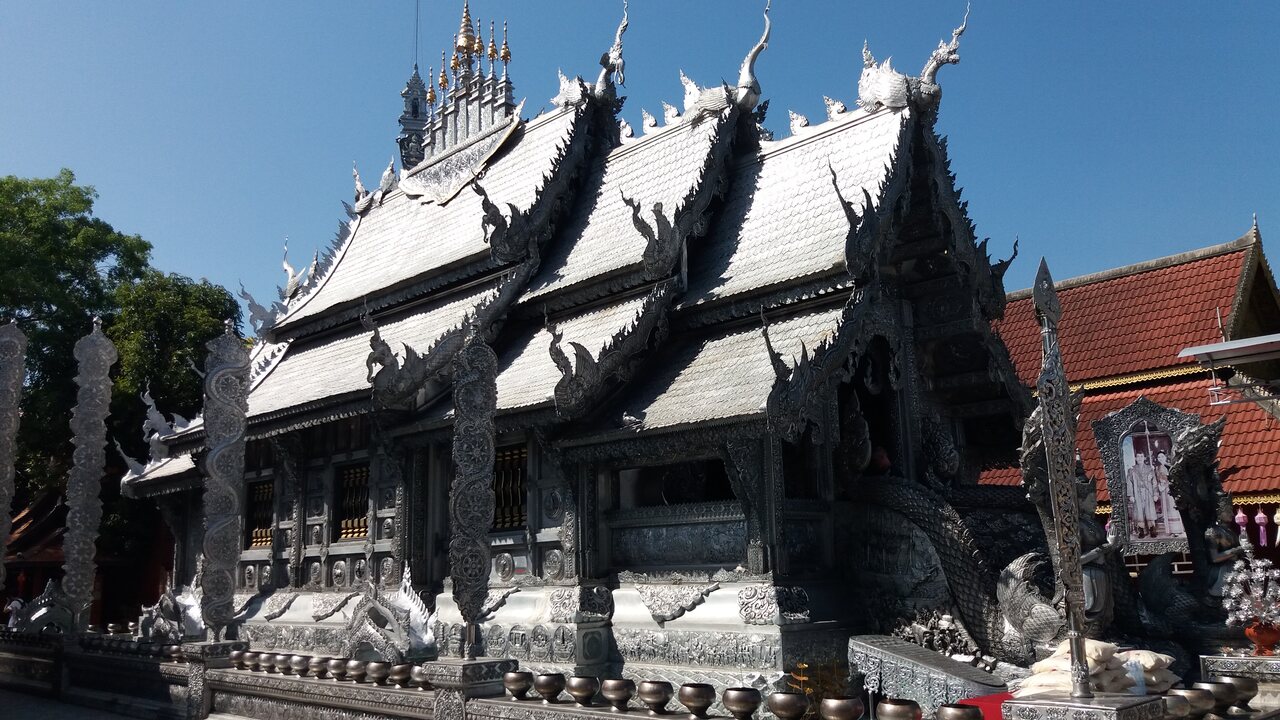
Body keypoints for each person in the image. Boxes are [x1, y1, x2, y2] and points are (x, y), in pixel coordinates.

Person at [1126, 452, 1158, 538]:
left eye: (1141, 456)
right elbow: (1129, 483)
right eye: (1138, 456)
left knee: (1150, 511)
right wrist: (1131, 495)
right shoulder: (1132, 470)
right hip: (1137, 493)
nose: (1140, 458)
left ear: (1144, 458)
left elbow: (1154, 482)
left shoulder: (1150, 469)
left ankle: (1152, 529)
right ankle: (1141, 531)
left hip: (1148, 492)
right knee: (1139, 511)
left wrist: (1155, 494)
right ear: (1135, 458)